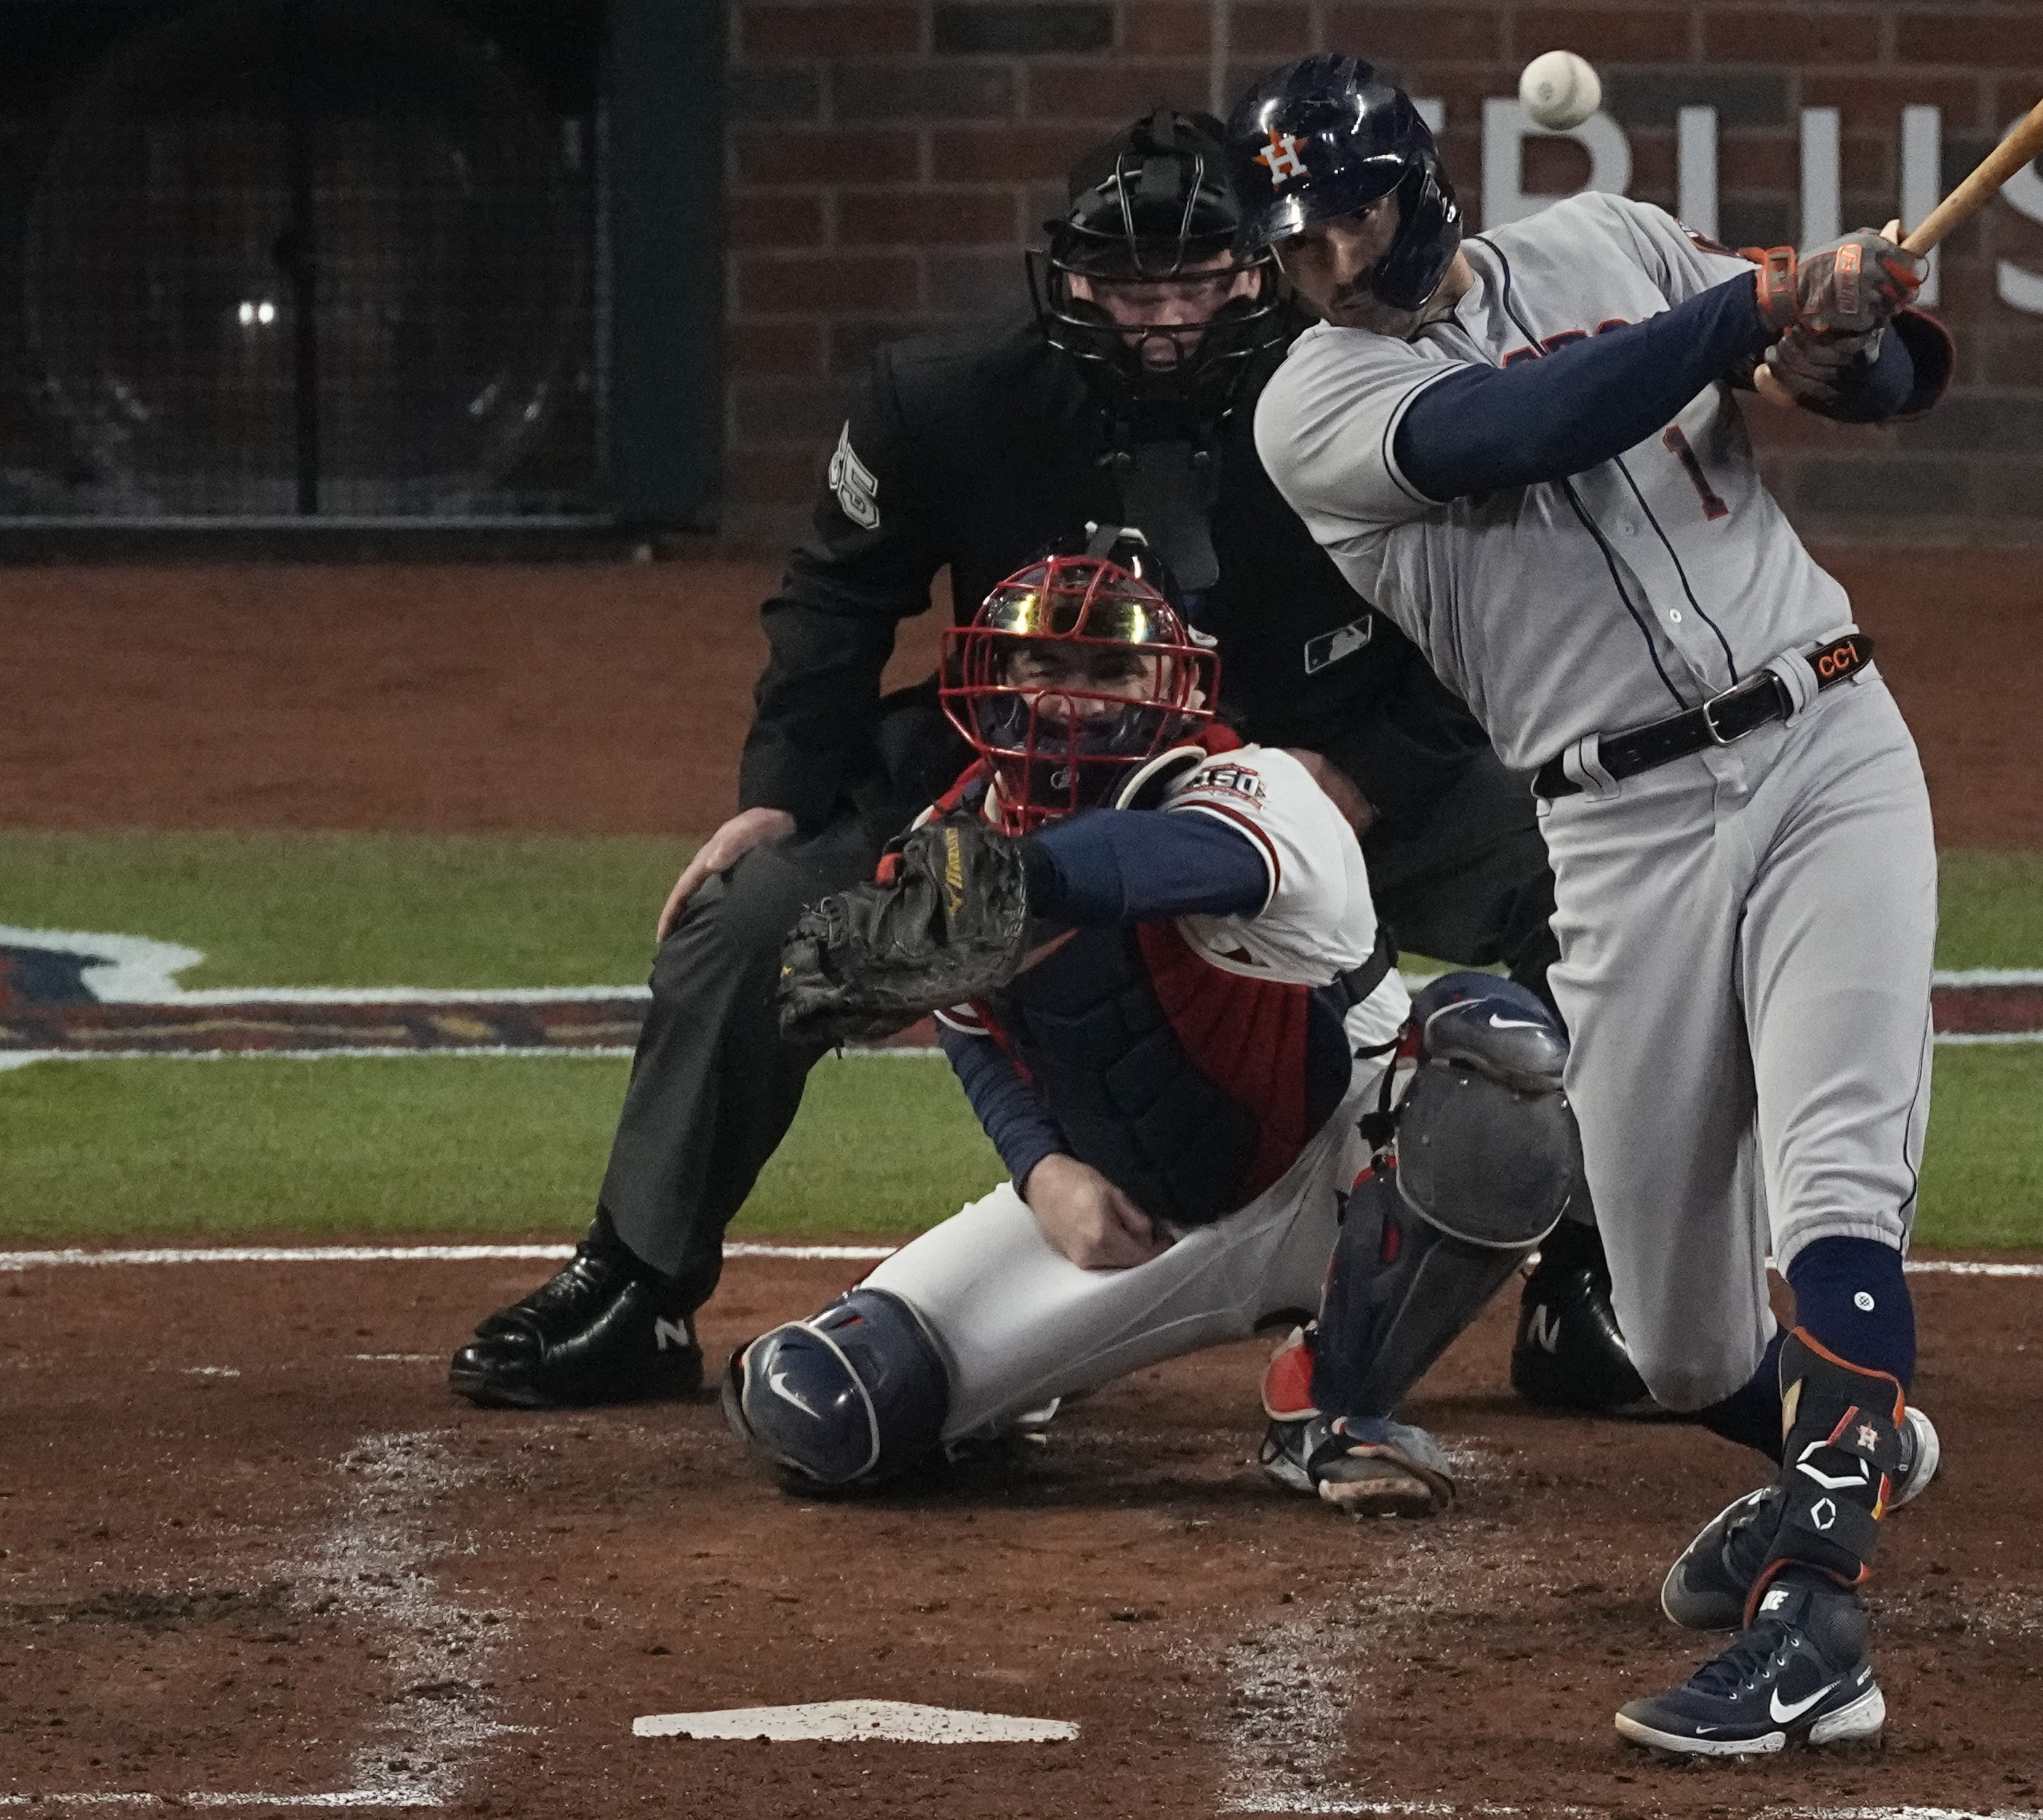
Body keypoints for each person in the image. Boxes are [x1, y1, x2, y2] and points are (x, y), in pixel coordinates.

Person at [448, 109, 1649, 1419]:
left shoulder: (1371, 390)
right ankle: (638, 1282)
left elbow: (1484, 613)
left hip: (1321, 763)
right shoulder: (944, 401)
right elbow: (834, 602)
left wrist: (1362, 773)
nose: (1164, 319)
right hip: (1011, 778)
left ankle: (1593, 1279)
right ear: (1067, 275)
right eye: (1131, 286)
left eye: (1197, 280)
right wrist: (779, 796)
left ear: (1260, 266)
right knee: (750, 923)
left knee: (1593, 893)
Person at [1236, 53, 1951, 1757]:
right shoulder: (1310, 410)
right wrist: (1753, 306)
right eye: (1299, 241)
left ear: (1420, 184)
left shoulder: (1616, 244)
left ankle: (1818, 1619)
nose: (1330, 262)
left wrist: (1844, 339)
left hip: (1825, 745)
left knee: (1835, 1182)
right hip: (1617, 831)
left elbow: (1890, 382)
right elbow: (1528, 421)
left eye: (1354, 215)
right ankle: (1842, 1444)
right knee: (1682, 1342)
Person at [721, 548, 1578, 1512]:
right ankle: (1031, 1377)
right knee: (831, 1406)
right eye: (1046, 667)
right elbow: (975, 1035)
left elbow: (1176, 861)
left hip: (1350, 1158)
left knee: (1499, 1067)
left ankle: (1333, 1398)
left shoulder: (1251, 786)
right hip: (1151, 1214)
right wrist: (1043, 1171)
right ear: (995, 681)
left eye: (1111, 670)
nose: (1076, 697)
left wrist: (1024, 881)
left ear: (1168, 684)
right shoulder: (950, 845)